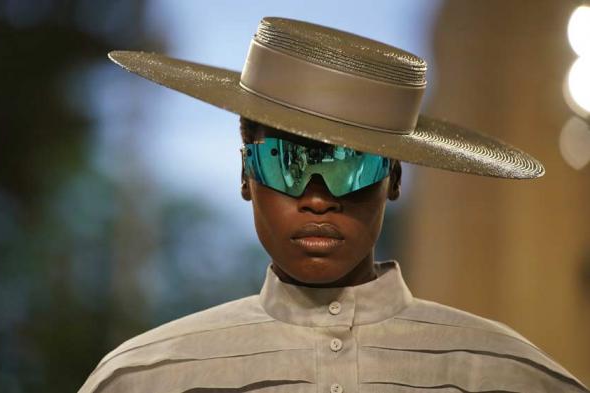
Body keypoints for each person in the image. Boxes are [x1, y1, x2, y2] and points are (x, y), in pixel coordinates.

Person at [79, 17, 589, 392]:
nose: (318, 198)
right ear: (244, 174)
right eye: (285, 162)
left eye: (351, 166)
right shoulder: (148, 379)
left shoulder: (507, 377)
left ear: (393, 176)